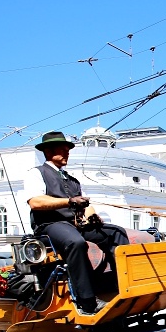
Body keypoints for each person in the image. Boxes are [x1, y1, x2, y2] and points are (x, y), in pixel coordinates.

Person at [24, 131, 130, 315]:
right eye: (62, 149)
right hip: (50, 226)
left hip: (75, 225)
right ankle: (87, 301)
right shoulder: (36, 173)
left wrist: (93, 216)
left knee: (116, 233)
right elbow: (36, 202)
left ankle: (122, 285)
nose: (67, 152)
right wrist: (69, 202)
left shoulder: (72, 180)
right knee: (75, 243)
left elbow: (85, 205)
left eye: (68, 150)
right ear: (48, 151)